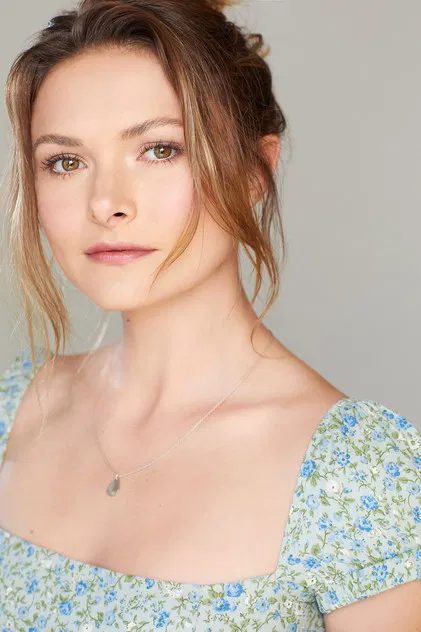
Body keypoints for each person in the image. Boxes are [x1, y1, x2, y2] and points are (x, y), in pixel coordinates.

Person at [0, 0, 420, 630]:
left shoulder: (360, 477)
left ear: (255, 172)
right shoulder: (16, 406)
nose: (106, 203)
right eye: (66, 161)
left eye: (159, 150)